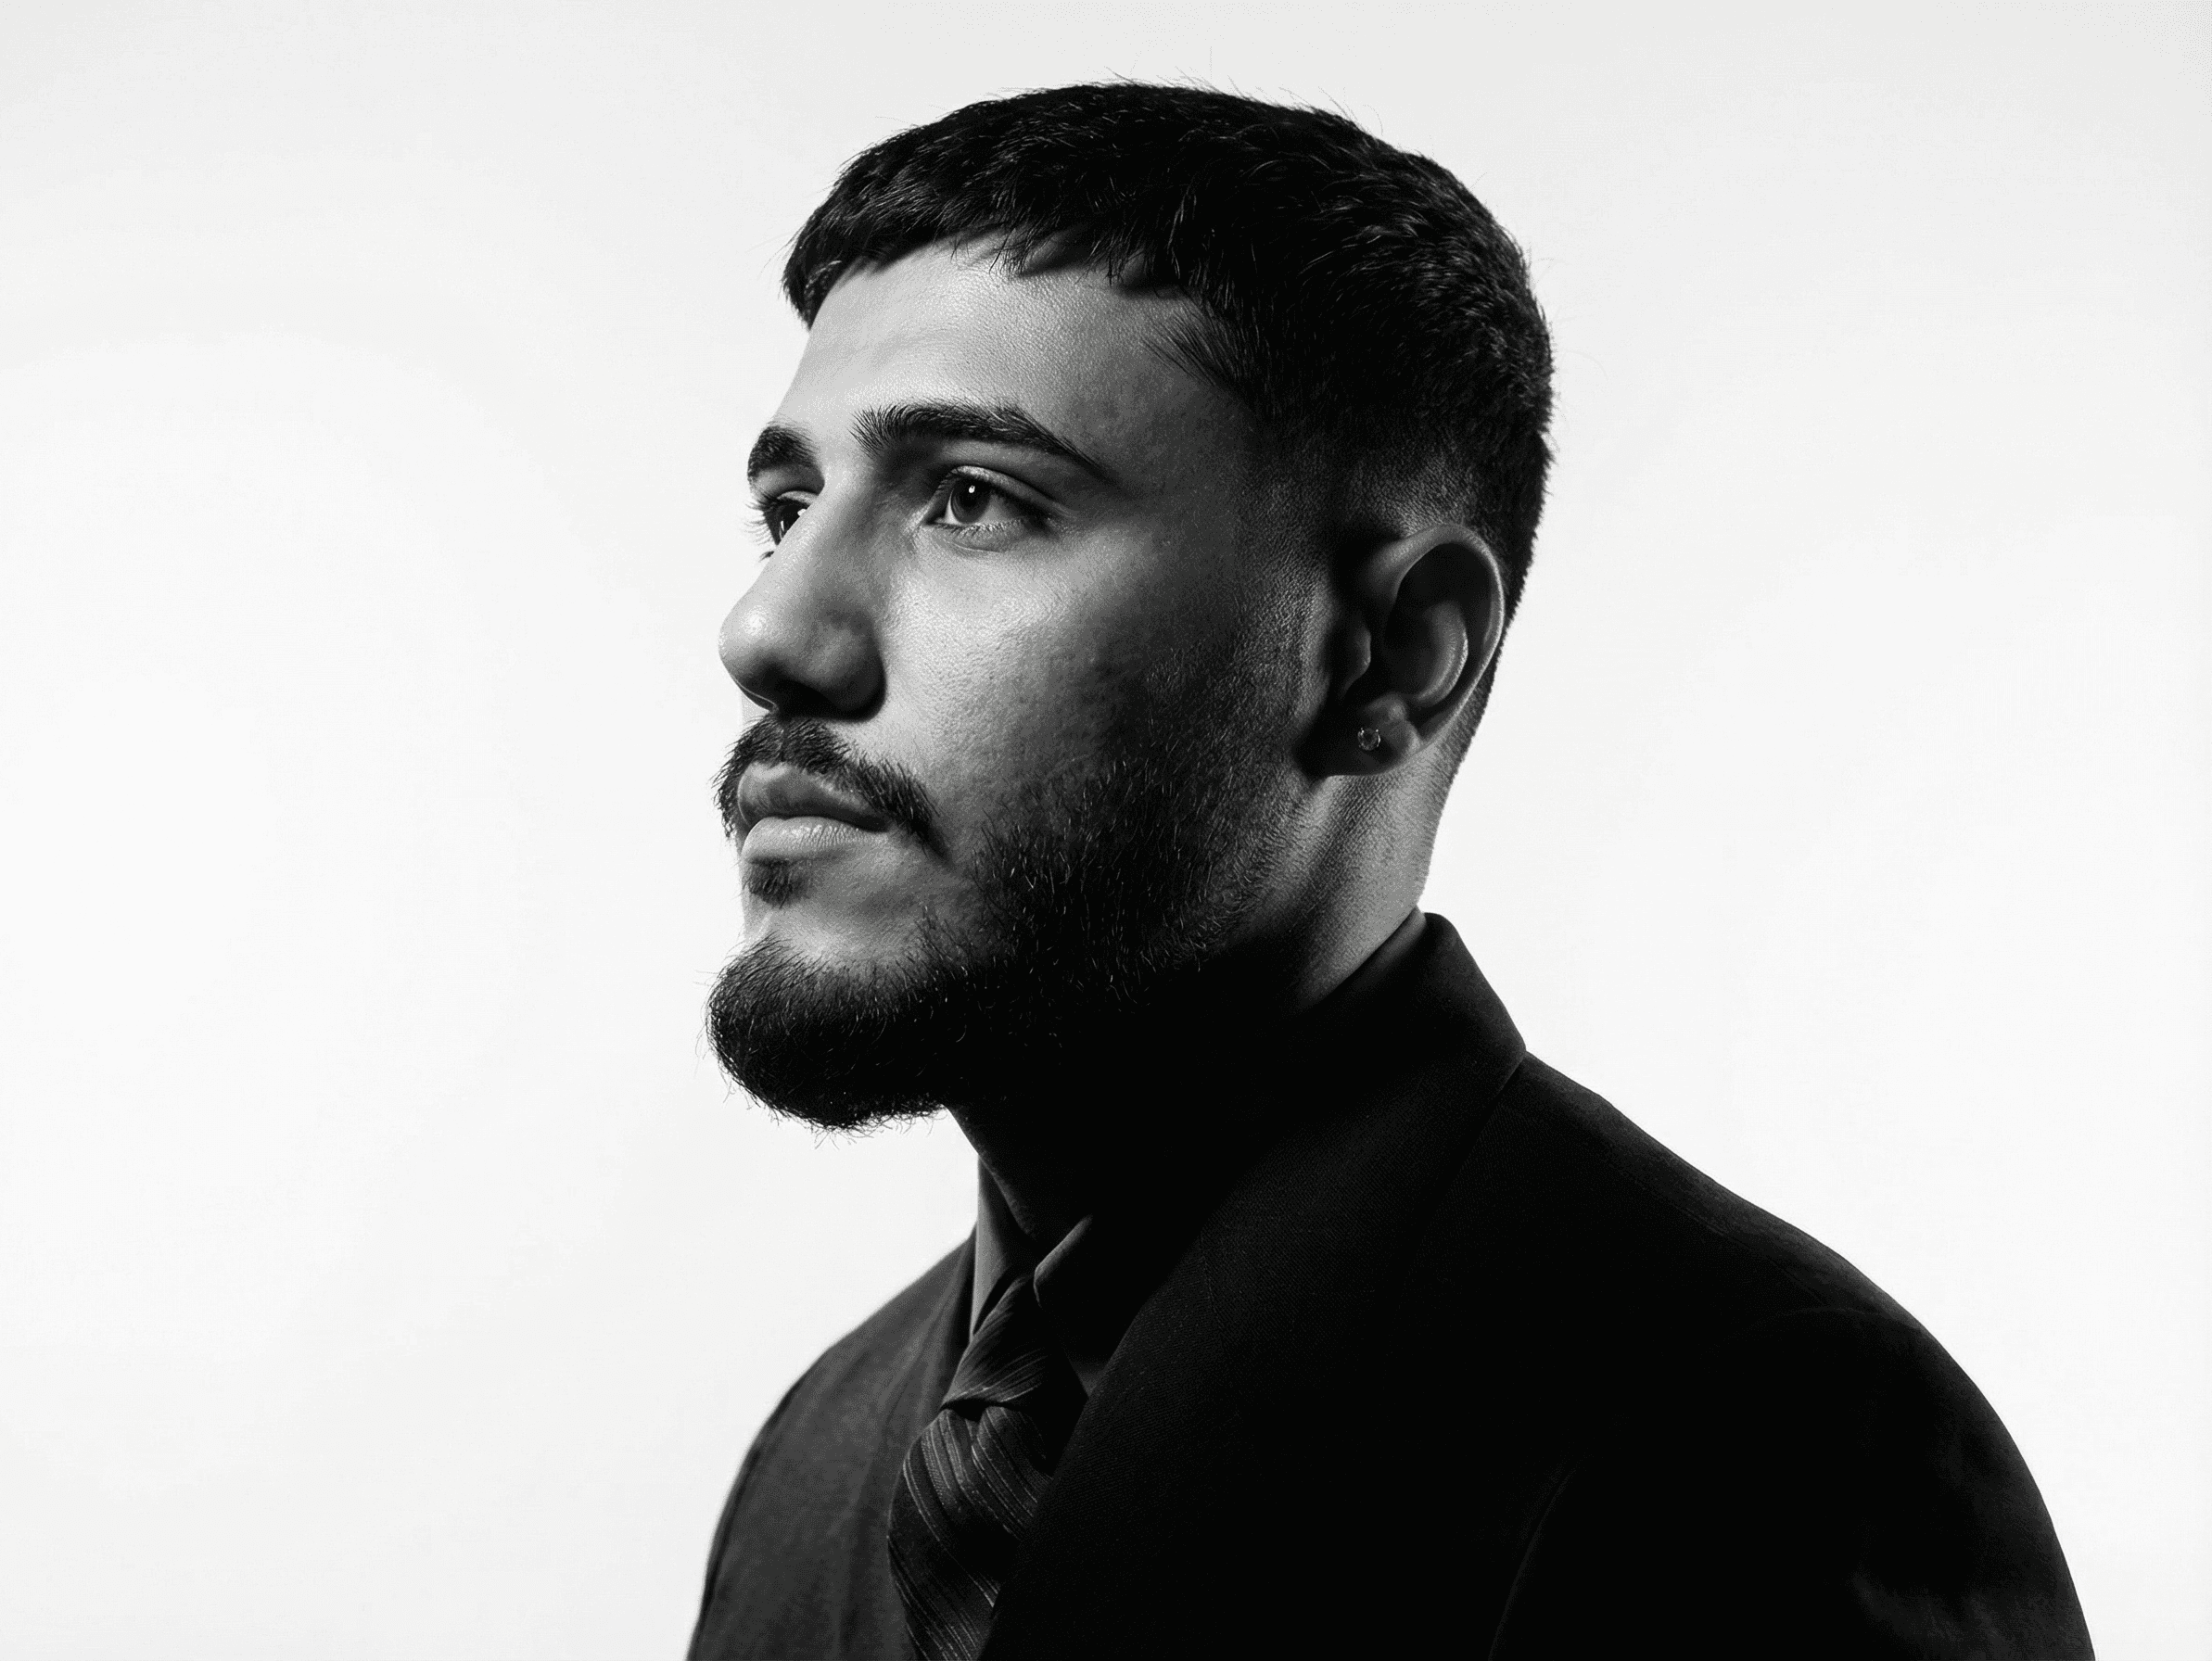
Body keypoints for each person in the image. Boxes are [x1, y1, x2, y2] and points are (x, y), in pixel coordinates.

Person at [687, 82, 2091, 1661]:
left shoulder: (1756, 1446)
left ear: (1393, 658)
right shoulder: (818, 1459)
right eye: (786, 508)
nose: (768, 635)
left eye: (975, 500)